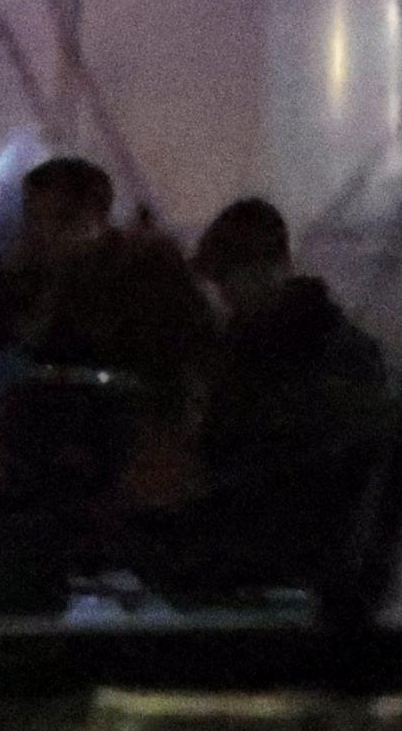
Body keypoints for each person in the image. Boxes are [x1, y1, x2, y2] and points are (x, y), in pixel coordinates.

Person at [0, 158, 219, 617]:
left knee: (29, 538)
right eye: (34, 221)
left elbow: (187, 352)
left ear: (94, 217)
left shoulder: (146, 271)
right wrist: (8, 275)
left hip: (118, 450)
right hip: (38, 445)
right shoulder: (28, 275)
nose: (44, 234)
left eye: (58, 220)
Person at [160, 199, 389, 601]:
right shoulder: (242, 345)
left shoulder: (329, 350)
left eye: (237, 273)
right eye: (223, 277)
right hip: (254, 551)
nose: (228, 291)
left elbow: (323, 463)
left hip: (295, 557)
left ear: (277, 265)